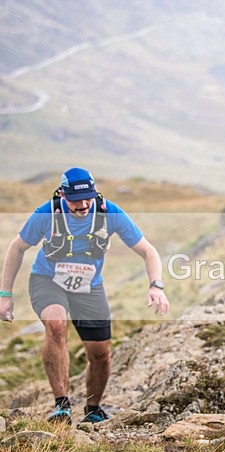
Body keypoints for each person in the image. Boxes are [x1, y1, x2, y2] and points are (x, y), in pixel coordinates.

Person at [0, 167, 169, 424]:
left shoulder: (108, 212)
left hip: (89, 286)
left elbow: (148, 251)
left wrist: (156, 285)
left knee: (100, 353)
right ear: (62, 194)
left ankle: (93, 408)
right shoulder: (47, 213)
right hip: (48, 280)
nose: (82, 204)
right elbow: (17, 248)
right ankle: (62, 406)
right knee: (56, 324)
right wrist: (5, 294)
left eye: (87, 197)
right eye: (75, 199)